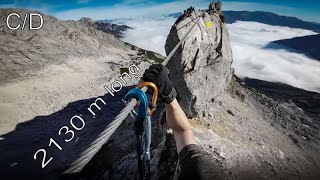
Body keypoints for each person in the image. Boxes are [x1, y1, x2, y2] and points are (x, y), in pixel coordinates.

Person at [143, 64, 222, 179]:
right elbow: (183, 131)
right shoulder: (203, 170)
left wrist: (169, 95)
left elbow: (183, 131)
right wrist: (168, 94)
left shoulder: (203, 171)